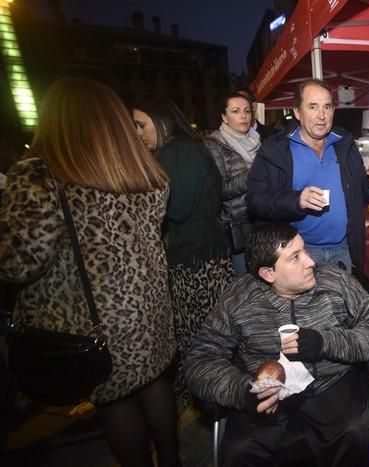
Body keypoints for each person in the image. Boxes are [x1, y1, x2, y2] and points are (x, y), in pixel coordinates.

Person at [0, 78, 180, 467]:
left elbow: (18, 262)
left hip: (98, 323)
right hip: (150, 314)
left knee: (117, 404)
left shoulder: (40, 177)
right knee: (155, 386)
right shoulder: (144, 175)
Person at [184, 223, 369, 467]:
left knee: (357, 433)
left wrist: (326, 342)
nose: (310, 262)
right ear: (268, 274)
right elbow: (200, 360)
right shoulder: (239, 300)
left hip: (330, 386)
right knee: (240, 451)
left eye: (304, 250)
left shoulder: (335, 282)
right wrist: (243, 391)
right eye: (295, 258)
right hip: (268, 399)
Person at [133, 97, 233, 407]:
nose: (137, 132)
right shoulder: (179, 150)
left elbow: (176, 208)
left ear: (162, 122)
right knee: (206, 333)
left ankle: (211, 397)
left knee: (201, 336)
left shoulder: (178, 152)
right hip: (199, 257)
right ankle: (210, 395)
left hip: (198, 263)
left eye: (141, 125)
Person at [247, 79, 369, 271]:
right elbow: (256, 200)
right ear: (297, 112)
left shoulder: (344, 143)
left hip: (344, 250)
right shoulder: (276, 149)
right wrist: (297, 200)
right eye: (313, 107)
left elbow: (359, 195)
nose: (322, 116)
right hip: (299, 254)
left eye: (327, 107)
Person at [204, 91, 260, 275]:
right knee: (245, 285)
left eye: (247, 111)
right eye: (235, 111)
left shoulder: (257, 139)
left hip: (263, 217)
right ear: (224, 117)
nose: (243, 116)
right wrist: (253, 173)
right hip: (239, 225)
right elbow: (221, 189)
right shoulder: (214, 145)